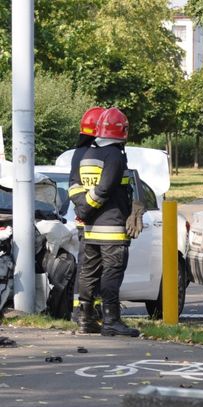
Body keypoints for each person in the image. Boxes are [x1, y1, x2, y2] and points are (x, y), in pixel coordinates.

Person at [71, 107, 140, 337]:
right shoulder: (114, 155)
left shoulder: (89, 153)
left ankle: (85, 319)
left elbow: (81, 186)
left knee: (88, 272)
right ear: (121, 130)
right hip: (111, 226)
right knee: (112, 272)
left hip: (90, 227)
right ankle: (111, 321)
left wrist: (84, 210)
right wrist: (88, 207)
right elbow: (106, 187)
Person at [68, 106, 105, 334]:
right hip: (98, 220)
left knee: (87, 268)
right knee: (95, 269)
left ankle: (82, 311)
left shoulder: (78, 153)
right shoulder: (99, 154)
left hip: (84, 218)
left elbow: (74, 187)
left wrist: (83, 208)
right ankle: (89, 311)